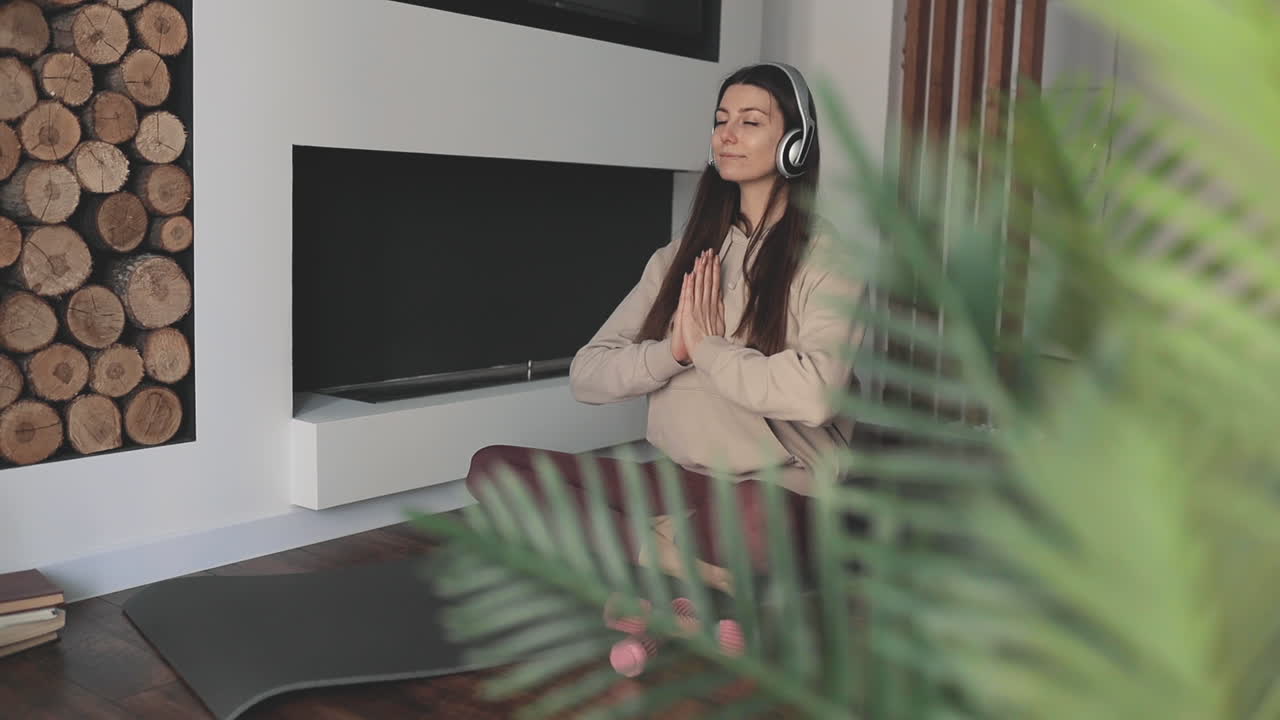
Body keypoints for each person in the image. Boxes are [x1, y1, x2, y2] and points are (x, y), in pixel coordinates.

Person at [464, 62, 865, 580]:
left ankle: (635, 549)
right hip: (681, 483)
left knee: (755, 523)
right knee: (495, 470)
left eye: (750, 121)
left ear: (796, 143)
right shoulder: (677, 259)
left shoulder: (830, 259)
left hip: (778, 493)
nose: (727, 135)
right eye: (721, 120)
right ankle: (691, 566)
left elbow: (814, 396)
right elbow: (587, 375)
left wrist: (709, 350)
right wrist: (672, 351)